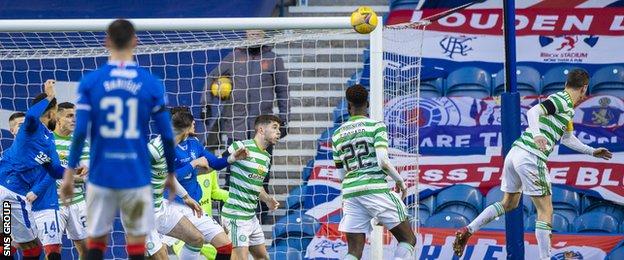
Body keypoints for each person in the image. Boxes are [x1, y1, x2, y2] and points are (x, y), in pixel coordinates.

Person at [452, 69, 613, 259]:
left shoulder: (567, 109)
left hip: (515, 154)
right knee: (546, 210)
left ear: (566, 83)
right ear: (584, 88)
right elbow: (533, 111)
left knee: (509, 203)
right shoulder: (562, 100)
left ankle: (469, 229)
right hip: (531, 156)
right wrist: (537, 135)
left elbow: (568, 139)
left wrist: (592, 151)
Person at [59, 19, 178, 260]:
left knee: (96, 243)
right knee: (136, 243)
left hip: (102, 175)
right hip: (136, 175)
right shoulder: (151, 83)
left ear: (107, 42)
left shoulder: (91, 82)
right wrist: (171, 174)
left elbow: (80, 133)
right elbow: (166, 135)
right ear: (135, 41)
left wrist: (69, 174)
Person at [202, 30, 289, 222]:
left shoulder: (274, 60)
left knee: (261, 172)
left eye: (258, 33)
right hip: (236, 125)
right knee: (232, 170)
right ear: (246, 35)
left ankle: (259, 214)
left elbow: (283, 91)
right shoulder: (233, 57)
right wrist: (205, 104)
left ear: (264, 35)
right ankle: (228, 211)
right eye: (251, 34)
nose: (254, 37)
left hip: (263, 130)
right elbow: (211, 77)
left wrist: (285, 119)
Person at [146, 106, 247, 260]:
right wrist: (193, 164)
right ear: (186, 127)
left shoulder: (191, 143)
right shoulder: (155, 149)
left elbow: (166, 178)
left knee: (199, 240)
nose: (196, 125)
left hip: (164, 206)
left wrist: (232, 158)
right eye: (193, 122)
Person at [332, 85, 416, 260]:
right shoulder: (376, 126)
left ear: (348, 106)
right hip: (375, 188)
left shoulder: (337, 135)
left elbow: (341, 176)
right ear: (367, 104)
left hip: (351, 193)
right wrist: (400, 181)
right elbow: (383, 161)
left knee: (354, 252)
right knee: (408, 238)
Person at [0, 80, 65, 260]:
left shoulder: (48, 141)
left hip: (41, 202)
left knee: (20, 242)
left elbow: (54, 170)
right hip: (13, 196)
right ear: (13, 131)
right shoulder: (26, 133)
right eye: (18, 125)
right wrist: (50, 96)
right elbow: (30, 118)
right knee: (10, 242)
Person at [221, 115, 281, 260]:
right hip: (236, 215)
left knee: (262, 257)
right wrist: (232, 157)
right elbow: (218, 162)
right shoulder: (241, 146)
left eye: (279, 128)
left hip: (250, 216)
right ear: (261, 129)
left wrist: (267, 199)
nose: (279, 132)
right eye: (274, 127)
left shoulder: (266, 157)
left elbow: (256, 185)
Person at [53, 102, 90, 258]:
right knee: (53, 251)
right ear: (57, 118)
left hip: (77, 201)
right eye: (69, 116)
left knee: (87, 250)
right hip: (52, 203)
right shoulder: (47, 141)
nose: (74, 119)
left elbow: (86, 175)